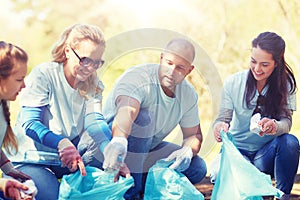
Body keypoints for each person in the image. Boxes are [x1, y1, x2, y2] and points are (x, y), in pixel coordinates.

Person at [7, 24, 113, 200]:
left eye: (96, 62)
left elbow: (94, 121)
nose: (90, 68)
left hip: (65, 159)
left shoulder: (94, 83)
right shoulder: (45, 75)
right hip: (31, 159)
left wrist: (111, 153)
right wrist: (61, 142)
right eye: (85, 60)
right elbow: (30, 124)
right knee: (51, 196)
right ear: (68, 51)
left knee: (104, 186)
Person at [102, 38, 207, 200]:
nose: (172, 71)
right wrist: (119, 140)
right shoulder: (139, 77)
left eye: (180, 68)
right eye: (169, 63)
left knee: (197, 167)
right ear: (161, 58)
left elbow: (194, 136)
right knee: (144, 120)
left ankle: (134, 182)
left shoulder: (187, 94)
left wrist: (187, 150)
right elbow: (127, 111)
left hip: (145, 150)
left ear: (189, 70)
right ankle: (131, 193)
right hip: (109, 144)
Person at [212, 32, 299, 200]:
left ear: (277, 63)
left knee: (290, 142)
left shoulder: (286, 85)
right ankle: (255, 186)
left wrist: (275, 125)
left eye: (265, 64)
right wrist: (219, 127)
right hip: (238, 153)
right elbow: (223, 119)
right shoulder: (233, 83)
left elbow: (286, 123)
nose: (257, 69)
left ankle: (282, 196)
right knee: (218, 175)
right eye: (253, 61)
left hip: (264, 155)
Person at [0, 41, 34, 199]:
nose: (24, 85)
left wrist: (8, 168)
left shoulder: (3, 102)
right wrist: (2, 184)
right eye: (19, 79)